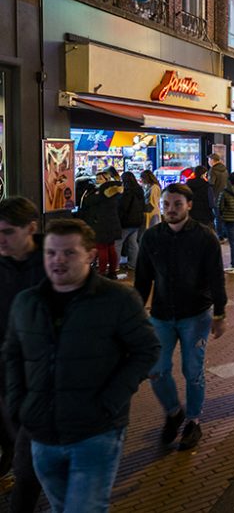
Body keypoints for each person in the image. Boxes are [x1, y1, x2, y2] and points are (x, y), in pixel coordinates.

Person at [4, 219, 159, 513]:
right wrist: (19, 404)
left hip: (95, 433)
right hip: (42, 433)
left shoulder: (118, 299)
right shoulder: (27, 302)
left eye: (69, 253)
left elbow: (147, 349)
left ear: (90, 254)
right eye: (51, 253)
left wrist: (110, 401)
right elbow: (12, 354)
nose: (58, 260)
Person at [135, 183, 227, 451]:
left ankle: (193, 421)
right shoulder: (152, 237)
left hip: (196, 315)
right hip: (161, 315)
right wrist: (137, 313)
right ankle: (174, 412)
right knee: (156, 369)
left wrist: (220, 313)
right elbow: (142, 279)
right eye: (166, 205)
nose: (170, 209)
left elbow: (216, 277)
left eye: (177, 204)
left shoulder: (204, 237)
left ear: (188, 205)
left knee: (193, 370)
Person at [0, 197, 45, 509]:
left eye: (7, 232)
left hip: (38, 377)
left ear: (31, 228)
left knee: (28, 451)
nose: (0, 239)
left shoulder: (54, 262)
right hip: (4, 371)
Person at [76, 167, 123, 278]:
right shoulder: (113, 190)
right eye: (96, 178)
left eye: (100, 179)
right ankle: (112, 272)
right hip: (111, 223)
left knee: (102, 248)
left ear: (106, 179)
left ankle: (102, 273)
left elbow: (88, 202)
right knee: (110, 248)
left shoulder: (102, 192)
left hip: (101, 224)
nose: (97, 180)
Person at [117, 171, 146, 273]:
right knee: (133, 243)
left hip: (127, 221)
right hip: (137, 221)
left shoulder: (128, 192)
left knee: (118, 243)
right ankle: (133, 264)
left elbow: (124, 207)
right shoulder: (139, 190)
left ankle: (115, 265)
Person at [185, 165, 217, 230]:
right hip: (205, 216)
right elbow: (211, 204)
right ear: (203, 175)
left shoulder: (187, 185)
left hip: (190, 215)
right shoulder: (207, 186)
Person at [207, 153, 229, 240]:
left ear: (212, 160)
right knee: (223, 217)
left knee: (217, 217)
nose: (208, 162)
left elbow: (211, 183)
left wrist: (206, 180)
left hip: (215, 197)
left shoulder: (213, 170)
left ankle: (219, 236)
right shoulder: (225, 169)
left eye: (209, 160)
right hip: (224, 197)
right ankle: (225, 234)